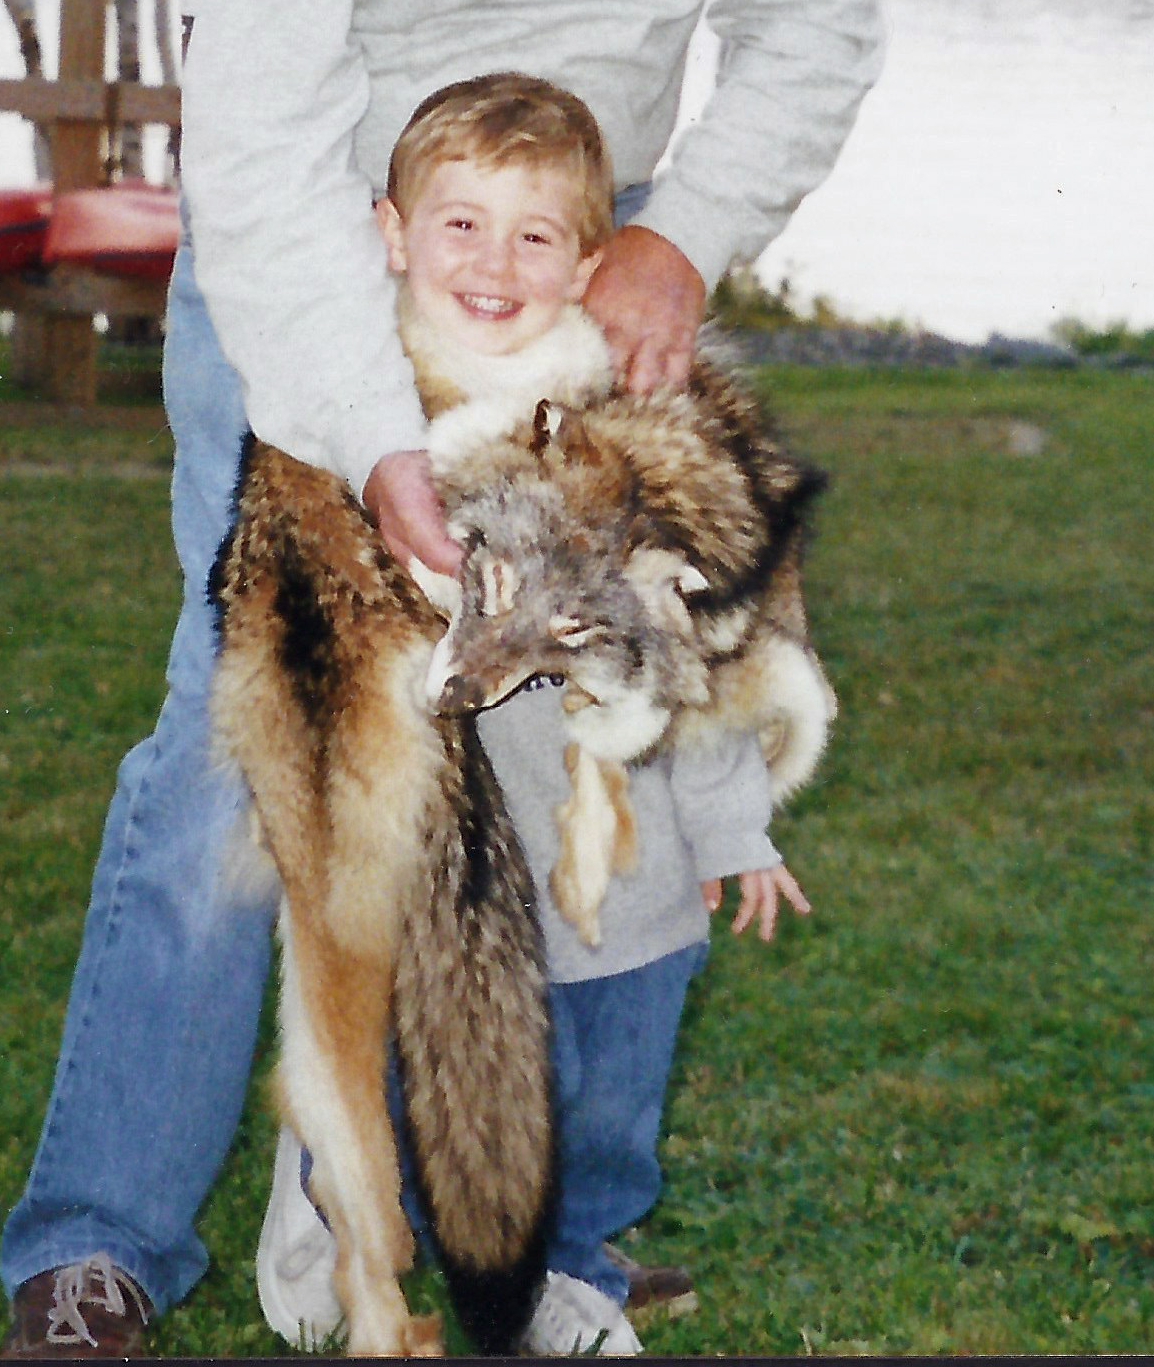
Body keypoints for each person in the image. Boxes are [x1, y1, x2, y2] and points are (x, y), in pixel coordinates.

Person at [0, 0, 883, 1358]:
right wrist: (363, 438)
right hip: (325, 237)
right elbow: (272, 122)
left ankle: (560, 1246)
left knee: (622, 716)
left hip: (595, 256)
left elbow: (817, 5)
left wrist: (679, 234)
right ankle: (94, 1239)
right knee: (252, 739)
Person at [248, 71, 814, 1358]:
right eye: (460, 224)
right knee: (442, 1069)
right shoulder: (357, 407)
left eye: (534, 233)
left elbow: (717, 647)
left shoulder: (642, 422)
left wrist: (736, 828)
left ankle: (575, 1260)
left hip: (635, 864)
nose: (493, 261)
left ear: (591, 261)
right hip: (447, 870)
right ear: (392, 233)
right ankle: (353, 1186)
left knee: (609, 1098)